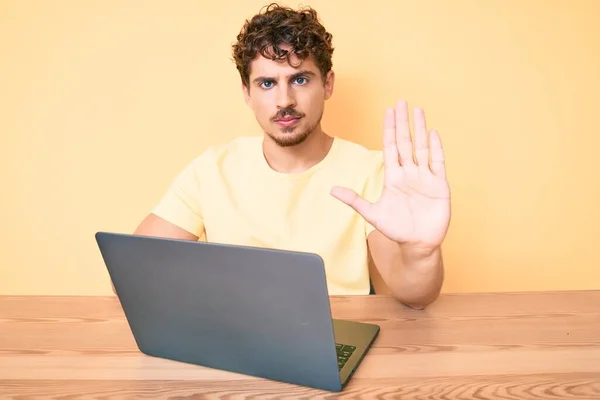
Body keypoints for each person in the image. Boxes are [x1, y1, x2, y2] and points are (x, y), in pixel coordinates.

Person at [131, 3, 451, 309]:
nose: (284, 100)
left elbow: (414, 295)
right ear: (247, 93)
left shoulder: (371, 171)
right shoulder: (211, 170)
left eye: (299, 79)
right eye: (267, 83)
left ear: (327, 84)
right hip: (238, 336)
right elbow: (133, 273)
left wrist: (421, 253)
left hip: (337, 330)